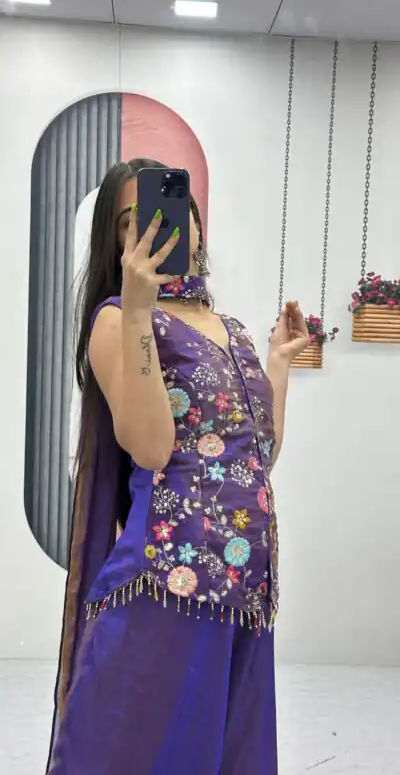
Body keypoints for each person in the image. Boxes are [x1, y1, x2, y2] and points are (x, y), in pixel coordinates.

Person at [46, 158, 309, 774]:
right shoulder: (117, 321)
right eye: (131, 221)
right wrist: (140, 313)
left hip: (245, 589)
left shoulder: (232, 329)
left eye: (170, 211)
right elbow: (152, 448)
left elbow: (256, 458)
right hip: (168, 583)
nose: (156, 228)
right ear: (116, 243)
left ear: (194, 222)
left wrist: (278, 364)